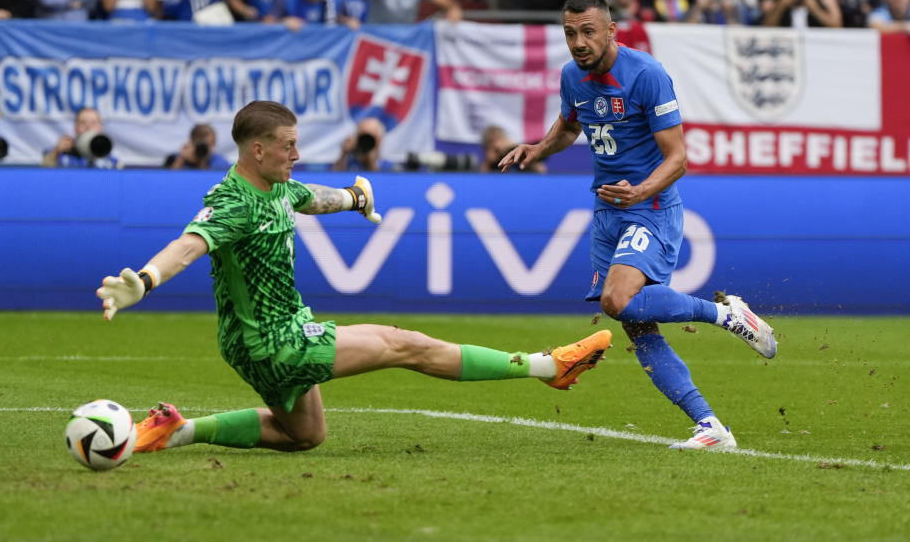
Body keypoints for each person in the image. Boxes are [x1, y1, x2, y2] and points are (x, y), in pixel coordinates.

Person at [95, 100, 612, 454]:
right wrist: (143, 279)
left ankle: (176, 432)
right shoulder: (233, 202)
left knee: (306, 435)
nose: (297, 155)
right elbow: (189, 245)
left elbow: (312, 198)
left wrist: (355, 199)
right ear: (258, 150)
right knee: (402, 343)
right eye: (289, 146)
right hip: (271, 342)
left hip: (260, 338)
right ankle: (548, 367)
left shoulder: (277, 187)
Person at [498, 0, 777, 451]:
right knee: (637, 326)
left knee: (616, 298)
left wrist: (641, 192)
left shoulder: (646, 74)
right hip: (607, 211)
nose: (578, 42)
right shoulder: (572, 76)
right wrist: (537, 147)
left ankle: (727, 314)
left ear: (611, 30)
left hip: (649, 207)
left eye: (588, 31)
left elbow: (678, 159)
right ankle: (711, 428)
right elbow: (570, 127)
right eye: (570, 33)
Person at [42, 107, 120, 168]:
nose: (88, 127)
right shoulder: (63, 153)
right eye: (83, 122)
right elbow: (45, 170)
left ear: (101, 128)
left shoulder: (108, 160)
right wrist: (56, 153)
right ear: (76, 128)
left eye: (93, 123)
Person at [331, 116, 395, 172]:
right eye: (363, 137)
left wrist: (371, 162)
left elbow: (383, 182)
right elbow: (334, 179)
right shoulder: (349, 162)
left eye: (370, 138)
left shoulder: (388, 165)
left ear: (380, 140)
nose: (366, 142)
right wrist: (344, 154)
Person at [164, 123, 232, 170]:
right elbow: (167, 181)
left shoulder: (221, 164)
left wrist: (202, 162)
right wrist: (181, 159)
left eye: (209, 144)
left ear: (214, 143)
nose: (204, 149)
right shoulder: (174, 158)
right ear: (191, 142)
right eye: (201, 144)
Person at [480, 125, 546, 173]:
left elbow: (540, 170)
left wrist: (513, 147)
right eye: (493, 143)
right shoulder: (490, 164)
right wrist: (490, 160)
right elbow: (483, 174)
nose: (498, 146)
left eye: (500, 139)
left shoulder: (516, 151)